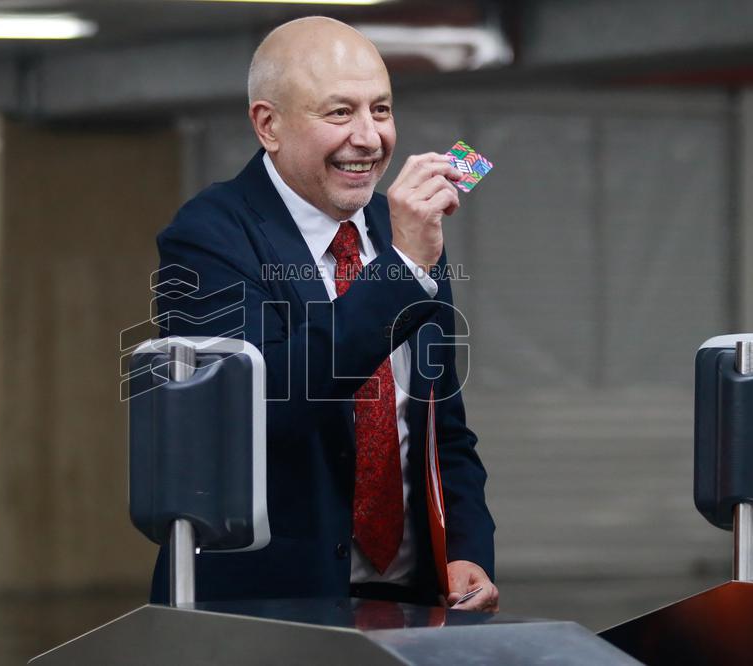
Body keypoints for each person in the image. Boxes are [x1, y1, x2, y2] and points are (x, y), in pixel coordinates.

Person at [149, 16, 498, 612]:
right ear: (269, 125)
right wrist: (402, 269)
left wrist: (467, 548)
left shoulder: (403, 231)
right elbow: (271, 404)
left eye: (381, 110)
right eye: (339, 113)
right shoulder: (209, 234)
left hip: (411, 599)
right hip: (268, 605)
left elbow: (443, 423)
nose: (368, 137)